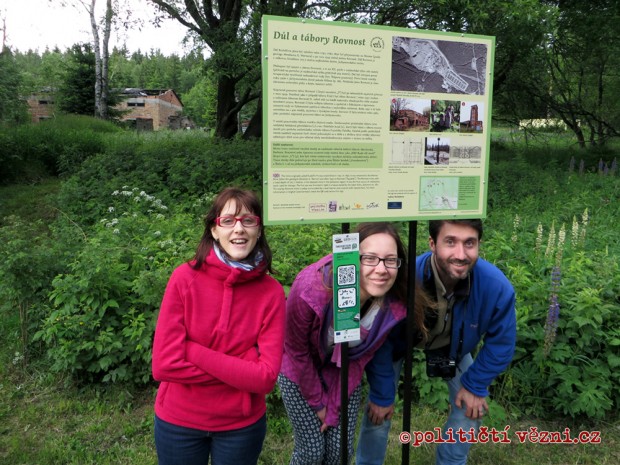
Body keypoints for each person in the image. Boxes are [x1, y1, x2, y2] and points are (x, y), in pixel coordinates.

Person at [356, 219, 517, 465]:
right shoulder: (406, 278)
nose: (461, 254)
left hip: (456, 345)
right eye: (450, 242)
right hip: (398, 343)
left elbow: (502, 342)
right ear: (432, 243)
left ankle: (451, 462)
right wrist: (382, 394)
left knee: (472, 407)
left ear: (479, 245)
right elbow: (381, 336)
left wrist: (475, 385)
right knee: (379, 410)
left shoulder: (497, 287)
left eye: (469, 243)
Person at [151, 187, 286, 465]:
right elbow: (163, 365)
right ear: (214, 230)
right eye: (228, 221)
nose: (239, 229)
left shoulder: (271, 292)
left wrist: (191, 350)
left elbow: (265, 378)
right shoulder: (184, 278)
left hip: (241, 426)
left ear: (258, 230)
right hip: (179, 421)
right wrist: (244, 365)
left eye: (248, 220)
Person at [278, 222, 432, 465]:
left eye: (390, 260)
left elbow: (360, 358)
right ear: (351, 258)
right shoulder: (312, 289)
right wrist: (319, 404)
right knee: (311, 452)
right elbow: (296, 351)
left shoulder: (393, 307)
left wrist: (335, 405)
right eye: (369, 258)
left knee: (340, 451)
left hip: (343, 374)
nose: (381, 269)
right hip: (299, 372)